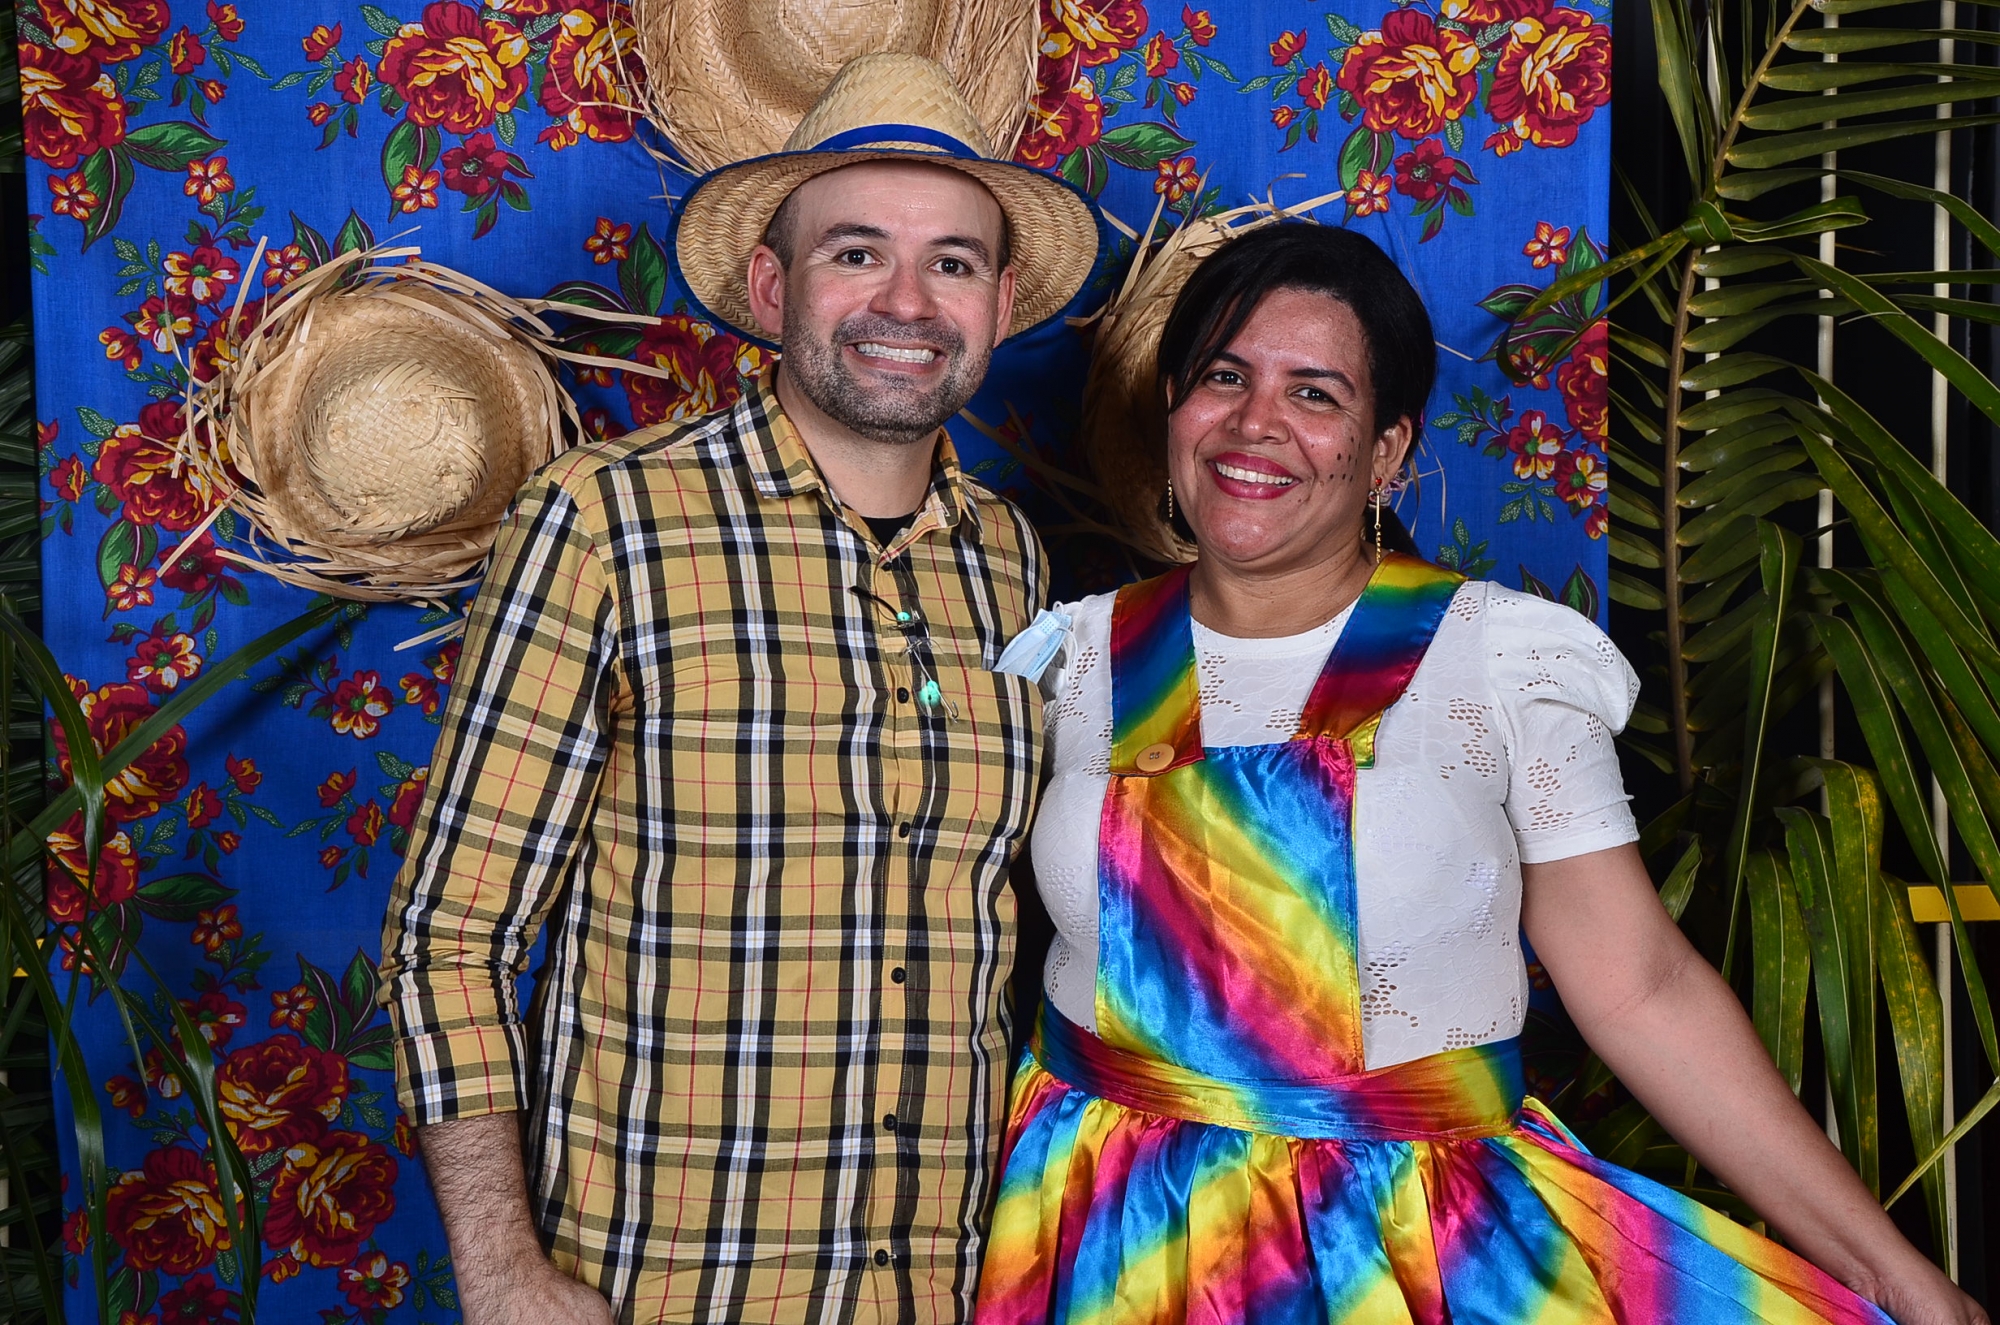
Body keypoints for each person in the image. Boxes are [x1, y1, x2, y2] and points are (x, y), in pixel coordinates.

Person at [973, 223, 1984, 1325]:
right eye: (1224, 376)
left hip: (1400, 1246)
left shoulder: (1500, 659)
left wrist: (1892, 1278)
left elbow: (1638, 985)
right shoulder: (1070, 656)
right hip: (1102, 1231)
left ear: (1386, 451)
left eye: (1314, 393)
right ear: (1173, 405)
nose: (1255, 422)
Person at [378, 55, 1100, 1325]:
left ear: (996, 304)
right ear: (772, 287)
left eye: (950, 262)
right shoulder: (606, 519)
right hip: (667, 1285)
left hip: (942, 1287)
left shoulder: (1011, 560)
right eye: (856, 252)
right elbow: (451, 932)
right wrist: (500, 1272)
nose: (906, 301)